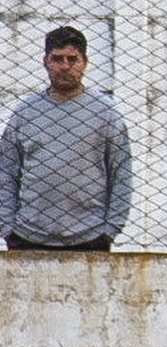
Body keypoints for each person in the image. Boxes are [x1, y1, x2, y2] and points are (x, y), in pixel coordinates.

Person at [0, 25, 132, 251]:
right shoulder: (26, 112)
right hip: (27, 235)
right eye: (57, 59)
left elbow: (121, 173)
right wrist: (7, 227)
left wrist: (110, 230)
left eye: (72, 59)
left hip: (90, 236)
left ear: (85, 62)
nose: (65, 66)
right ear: (45, 62)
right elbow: (6, 172)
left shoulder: (105, 113)